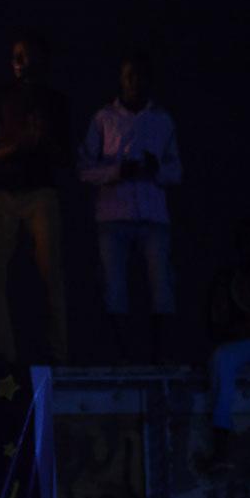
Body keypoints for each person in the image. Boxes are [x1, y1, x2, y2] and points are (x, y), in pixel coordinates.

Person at [77, 54, 183, 362]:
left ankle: (159, 357)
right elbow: (84, 169)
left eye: (140, 76)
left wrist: (156, 169)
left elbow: (177, 171)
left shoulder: (162, 120)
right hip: (113, 215)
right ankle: (121, 358)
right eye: (129, 76)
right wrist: (116, 173)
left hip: (152, 216)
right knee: (114, 286)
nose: (135, 82)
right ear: (121, 81)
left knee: (161, 285)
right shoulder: (103, 118)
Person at [0, 31, 72, 365]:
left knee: (51, 274)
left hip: (40, 193)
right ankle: (6, 358)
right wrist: (15, 147)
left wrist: (41, 141)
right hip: (1, 194)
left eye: (25, 55)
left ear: (40, 60)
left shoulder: (55, 101)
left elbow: (66, 156)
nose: (17, 62)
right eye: (15, 55)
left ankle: (59, 355)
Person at [204, 218, 250, 463]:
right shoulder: (229, 281)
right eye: (246, 242)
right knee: (223, 358)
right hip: (245, 344)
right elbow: (218, 325)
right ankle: (222, 436)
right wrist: (249, 328)